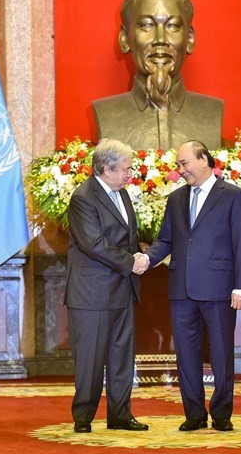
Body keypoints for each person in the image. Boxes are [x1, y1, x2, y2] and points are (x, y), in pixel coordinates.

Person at [143, 140, 241, 432]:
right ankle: (193, 413)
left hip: (219, 288)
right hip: (181, 289)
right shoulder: (175, 199)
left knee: (221, 354)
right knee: (186, 355)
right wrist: (146, 259)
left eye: (185, 163)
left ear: (204, 160)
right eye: (179, 165)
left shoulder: (233, 196)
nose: (181, 170)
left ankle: (221, 413)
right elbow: (165, 239)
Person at [64, 138, 150, 433]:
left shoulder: (121, 193)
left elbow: (125, 238)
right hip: (92, 293)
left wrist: (140, 254)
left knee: (121, 357)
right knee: (90, 359)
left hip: (122, 289)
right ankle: (83, 417)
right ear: (105, 169)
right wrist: (132, 262)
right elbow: (94, 244)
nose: (130, 174)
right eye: (125, 169)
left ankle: (120, 415)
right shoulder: (84, 198)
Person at [92, 0, 223, 151]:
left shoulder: (212, 112)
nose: (160, 39)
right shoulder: (106, 113)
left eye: (172, 26)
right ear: (125, 38)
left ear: (189, 39)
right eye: (147, 25)